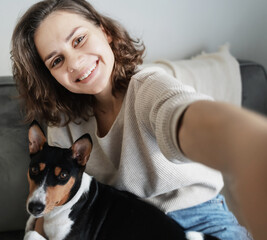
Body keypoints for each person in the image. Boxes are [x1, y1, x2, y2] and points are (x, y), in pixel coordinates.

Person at [11, 0, 267, 239]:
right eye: (57, 60)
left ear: (105, 32)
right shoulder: (63, 122)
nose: (75, 63)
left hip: (200, 219)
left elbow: (183, 115)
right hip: (128, 227)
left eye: (79, 39)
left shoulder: (149, 87)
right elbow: (54, 204)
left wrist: (244, 145)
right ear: (49, 76)